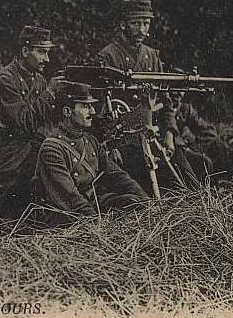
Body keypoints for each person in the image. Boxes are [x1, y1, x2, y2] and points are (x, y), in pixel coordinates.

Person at [33, 81, 149, 223]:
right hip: (64, 216)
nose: (93, 112)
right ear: (67, 111)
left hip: (90, 207)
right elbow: (69, 198)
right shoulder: (52, 149)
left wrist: (146, 202)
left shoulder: (91, 141)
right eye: (86, 107)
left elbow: (117, 175)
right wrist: (97, 225)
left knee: (133, 202)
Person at [98, 0, 179, 195]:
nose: (142, 30)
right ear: (122, 24)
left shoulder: (151, 55)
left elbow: (165, 101)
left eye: (146, 23)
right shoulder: (108, 57)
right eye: (136, 23)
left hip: (154, 136)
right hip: (124, 141)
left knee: (192, 168)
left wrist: (170, 133)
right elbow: (102, 109)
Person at [0, 25, 63, 218]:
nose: (47, 59)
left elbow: (45, 121)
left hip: (26, 147)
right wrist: (50, 93)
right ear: (25, 51)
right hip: (5, 153)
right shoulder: (5, 79)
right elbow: (25, 121)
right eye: (41, 52)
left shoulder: (38, 79)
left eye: (47, 52)